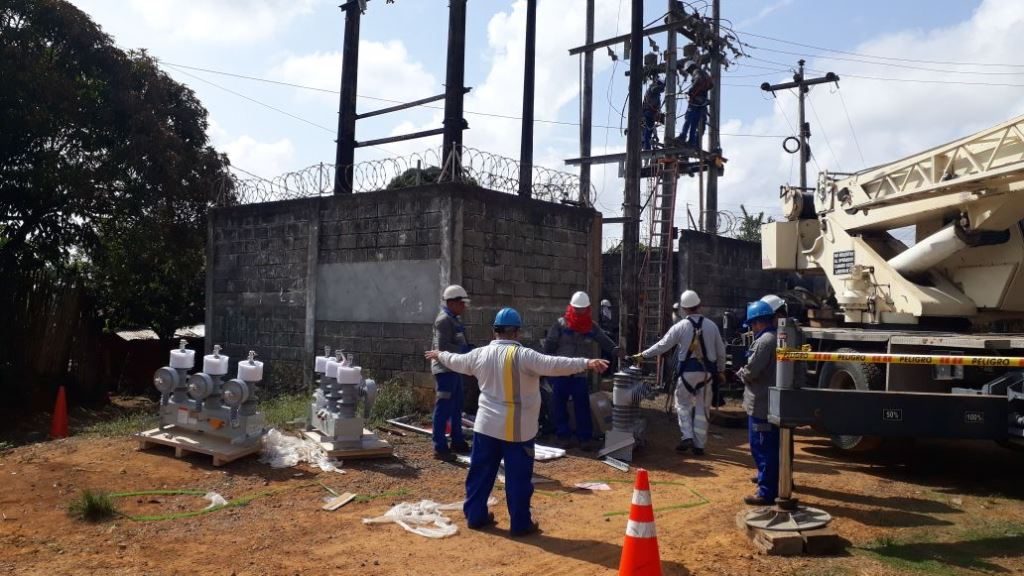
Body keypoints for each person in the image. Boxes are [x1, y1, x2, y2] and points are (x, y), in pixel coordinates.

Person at [425, 308, 609, 536]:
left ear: (495, 332)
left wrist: (439, 355)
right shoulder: (525, 356)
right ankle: (520, 524)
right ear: (517, 333)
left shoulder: (479, 355)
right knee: (518, 480)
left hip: (486, 428)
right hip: (518, 431)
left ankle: (475, 516)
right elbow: (555, 364)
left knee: (480, 475)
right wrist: (586, 362)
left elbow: (456, 360)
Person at [631, 290, 725, 456]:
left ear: (684, 309)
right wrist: (721, 370)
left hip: (687, 373)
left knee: (682, 404)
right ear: (700, 306)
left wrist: (643, 355)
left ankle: (687, 435)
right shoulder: (712, 326)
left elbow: (663, 345)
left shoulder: (680, 326)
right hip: (707, 374)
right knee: (703, 410)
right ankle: (699, 446)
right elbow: (720, 352)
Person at [543, 291, 620, 450]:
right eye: (576, 309)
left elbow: (604, 341)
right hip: (561, 372)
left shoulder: (591, 327)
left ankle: (584, 438)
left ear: (587, 309)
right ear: (571, 307)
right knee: (559, 405)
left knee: (582, 406)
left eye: (582, 309)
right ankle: (563, 436)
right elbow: (549, 345)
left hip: (580, 374)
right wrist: (547, 367)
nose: (579, 312)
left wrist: (616, 350)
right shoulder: (560, 324)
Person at [737, 300, 779, 506]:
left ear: (757, 323)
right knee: (773, 447)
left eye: (752, 325)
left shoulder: (764, 343)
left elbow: (752, 371)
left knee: (761, 447)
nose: (752, 329)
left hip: (761, 403)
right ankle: (771, 483)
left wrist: (740, 373)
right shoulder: (779, 338)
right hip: (773, 402)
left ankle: (766, 492)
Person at [430, 284, 472, 462]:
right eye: (461, 303)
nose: (464, 306)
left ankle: (457, 441)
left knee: (456, 407)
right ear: (452, 302)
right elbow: (442, 348)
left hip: (454, 368)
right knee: (444, 408)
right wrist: (465, 351)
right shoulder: (443, 321)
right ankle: (440, 447)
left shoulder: (454, 319)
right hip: (444, 370)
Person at [678, 60, 714, 149]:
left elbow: (698, 80)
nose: (689, 73)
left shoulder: (696, 72)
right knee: (695, 123)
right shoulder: (705, 74)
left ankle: (683, 136)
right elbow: (711, 85)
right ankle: (692, 141)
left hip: (695, 102)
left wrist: (691, 91)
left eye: (688, 71)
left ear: (690, 68)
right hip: (702, 103)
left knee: (688, 119)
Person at [641, 73, 666, 151]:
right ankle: (647, 150)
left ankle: (647, 149)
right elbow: (659, 89)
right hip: (648, 113)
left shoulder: (656, 93)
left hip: (651, 114)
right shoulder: (653, 88)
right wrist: (665, 84)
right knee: (648, 132)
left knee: (649, 131)